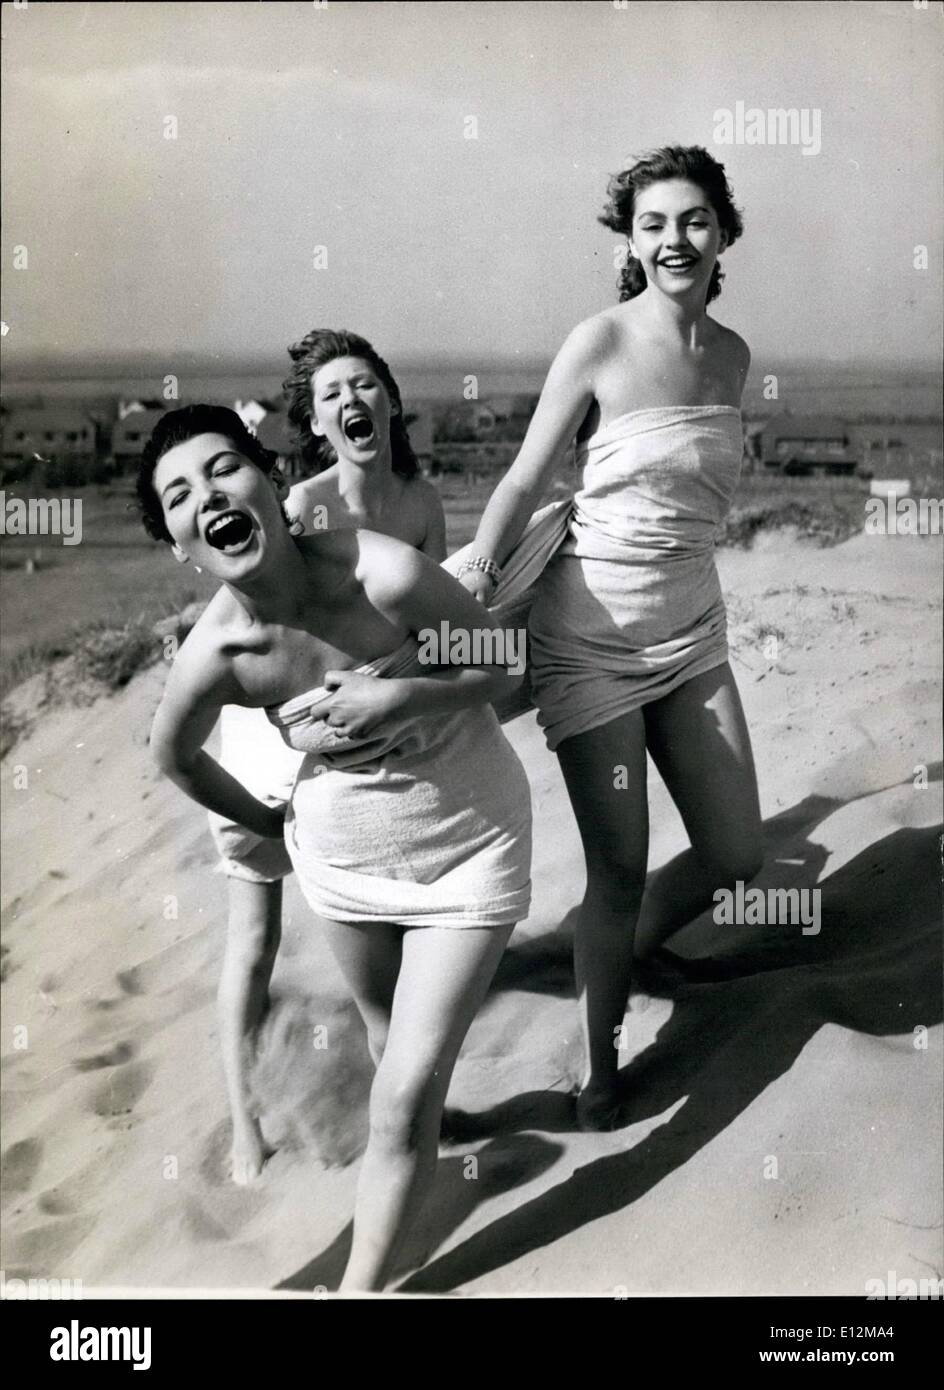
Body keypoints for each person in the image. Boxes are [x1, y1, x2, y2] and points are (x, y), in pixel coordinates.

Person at [137, 399, 531, 1291]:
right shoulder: (222, 656)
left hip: (469, 847)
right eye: (178, 495)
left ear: (272, 483)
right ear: (178, 544)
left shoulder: (379, 574)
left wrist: (401, 699)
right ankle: (424, 1145)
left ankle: (355, 1293)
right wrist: (274, 826)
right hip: (344, 869)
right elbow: (170, 752)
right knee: (394, 1046)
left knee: (394, 1099)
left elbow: (506, 661)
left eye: (223, 469)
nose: (207, 495)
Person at [459, 145, 764, 1129]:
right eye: (652, 224)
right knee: (618, 864)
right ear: (629, 242)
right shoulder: (595, 341)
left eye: (690, 219)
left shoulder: (732, 357)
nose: (673, 238)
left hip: (692, 631)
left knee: (734, 850)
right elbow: (521, 477)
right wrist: (472, 572)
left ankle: (615, 945)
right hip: (588, 643)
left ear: (721, 231)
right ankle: (597, 1066)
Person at [202, 331, 445, 1185]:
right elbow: (253, 631)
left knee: (392, 925)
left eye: (366, 383)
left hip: (363, 744)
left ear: (389, 400)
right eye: (333, 392)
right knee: (255, 935)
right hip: (271, 739)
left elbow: (432, 634)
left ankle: (398, 1115)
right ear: (315, 420)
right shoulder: (299, 507)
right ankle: (244, 1124)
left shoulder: (421, 505)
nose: (353, 401)